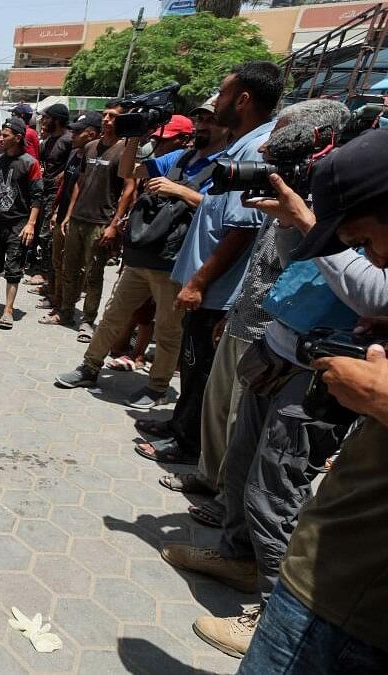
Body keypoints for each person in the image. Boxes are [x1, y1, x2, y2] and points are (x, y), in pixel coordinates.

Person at [157, 101, 359, 659]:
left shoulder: (344, 194)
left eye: (285, 131)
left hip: (313, 365)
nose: (270, 143)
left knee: (278, 490)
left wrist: (307, 218)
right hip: (271, 341)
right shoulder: (293, 184)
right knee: (242, 466)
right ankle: (236, 556)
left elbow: (363, 284)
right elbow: (274, 262)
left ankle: (270, 614)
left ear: (318, 136)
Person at [238, 127, 388, 674]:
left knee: (274, 490)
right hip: (338, 563)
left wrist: (379, 397)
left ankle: (260, 597)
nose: (374, 259)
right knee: (252, 483)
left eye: (368, 241)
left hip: (347, 593)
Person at [133, 61, 282, 467]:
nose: (216, 101)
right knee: (193, 362)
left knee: (201, 368)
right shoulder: (239, 145)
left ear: (244, 99)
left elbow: (242, 229)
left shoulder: (254, 150)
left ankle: (188, 444)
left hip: (217, 290)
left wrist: (198, 282)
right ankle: (181, 423)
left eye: (222, 93)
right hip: (209, 285)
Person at [55, 105, 227, 409]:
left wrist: (179, 190)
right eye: (200, 119)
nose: (203, 125)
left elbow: (222, 212)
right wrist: (132, 135)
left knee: (168, 329)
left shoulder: (225, 165)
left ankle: (158, 386)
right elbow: (127, 173)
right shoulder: (181, 157)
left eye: (210, 121)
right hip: (145, 253)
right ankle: (90, 367)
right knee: (114, 316)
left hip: (176, 261)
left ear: (226, 126)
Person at [43, 100, 138, 344]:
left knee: (94, 274)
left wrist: (114, 224)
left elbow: (129, 190)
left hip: (101, 222)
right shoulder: (91, 147)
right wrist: (67, 215)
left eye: (113, 117)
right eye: (106, 115)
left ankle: (87, 320)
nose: (107, 120)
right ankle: (65, 312)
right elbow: (79, 183)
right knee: (68, 267)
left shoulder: (125, 150)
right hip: (77, 218)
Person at [0, 117, 44, 329]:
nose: (1, 139)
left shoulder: (30, 163)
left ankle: (9, 309)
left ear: (18, 137)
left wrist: (30, 224)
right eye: (1, 135)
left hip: (18, 223)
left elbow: (37, 197)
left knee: (13, 267)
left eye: (6, 135)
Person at [38, 111, 101, 320]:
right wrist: (57, 210)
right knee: (59, 261)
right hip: (64, 214)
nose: (72, 135)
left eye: (78, 132)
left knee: (79, 269)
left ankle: (73, 310)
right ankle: (57, 301)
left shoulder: (95, 157)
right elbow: (66, 187)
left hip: (86, 219)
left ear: (91, 134)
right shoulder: (75, 154)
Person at [27, 103, 72, 288]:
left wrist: (63, 175)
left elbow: (75, 165)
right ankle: (44, 270)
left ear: (57, 119)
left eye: (46, 118)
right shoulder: (48, 141)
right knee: (39, 232)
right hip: (45, 190)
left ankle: (47, 275)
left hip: (58, 194)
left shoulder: (68, 140)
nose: (43, 121)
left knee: (47, 234)